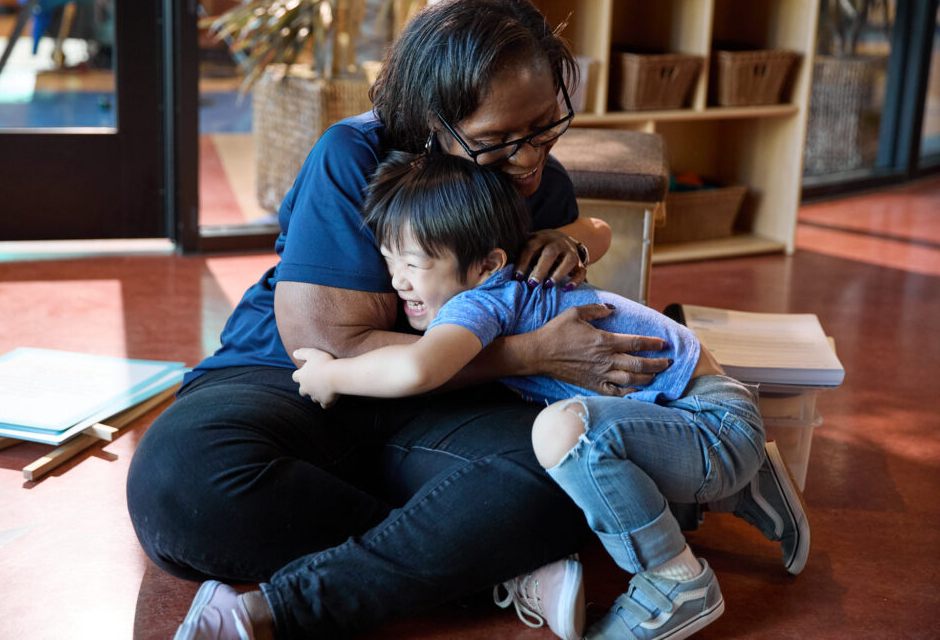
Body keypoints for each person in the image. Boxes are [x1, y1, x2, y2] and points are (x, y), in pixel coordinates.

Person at [130, 0, 677, 640]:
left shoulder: (541, 184)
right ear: (430, 122)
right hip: (295, 384)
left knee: (575, 467)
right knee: (180, 484)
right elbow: (328, 348)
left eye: (544, 127)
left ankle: (312, 596)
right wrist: (532, 354)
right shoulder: (353, 155)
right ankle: (477, 561)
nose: (531, 158)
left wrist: (573, 240)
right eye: (498, 139)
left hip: (446, 407)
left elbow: (554, 283)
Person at [291, 152, 810, 640]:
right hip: (716, 414)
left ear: (485, 265)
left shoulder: (481, 301)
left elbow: (419, 368)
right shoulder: (513, 282)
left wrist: (332, 375)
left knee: (564, 432)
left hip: (711, 429)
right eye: (389, 261)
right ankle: (747, 485)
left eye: (414, 264)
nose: (398, 282)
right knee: (578, 430)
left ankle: (675, 579)